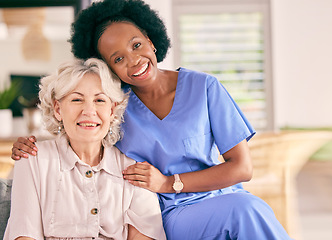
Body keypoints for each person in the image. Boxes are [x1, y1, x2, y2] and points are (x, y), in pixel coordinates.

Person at [11, 0, 291, 239]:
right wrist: (32, 146)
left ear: (151, 40)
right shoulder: (115, 101)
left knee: (249, 207)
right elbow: (84, 127)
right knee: (246, 210)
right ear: (110, 69)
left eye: (136, 45)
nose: (134, 60)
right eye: (118, 58)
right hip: (163, 211)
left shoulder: (205, 87)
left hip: (221, 197)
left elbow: (242, 168)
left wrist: (170, 182)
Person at [5, 58, 166, 240]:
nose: (89, 111)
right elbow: (24, 234)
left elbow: (144, 236)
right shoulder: (32, 159)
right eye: (76, 99)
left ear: (112, 110)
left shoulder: (134, 168)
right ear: (58, 108)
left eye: (99, 100)